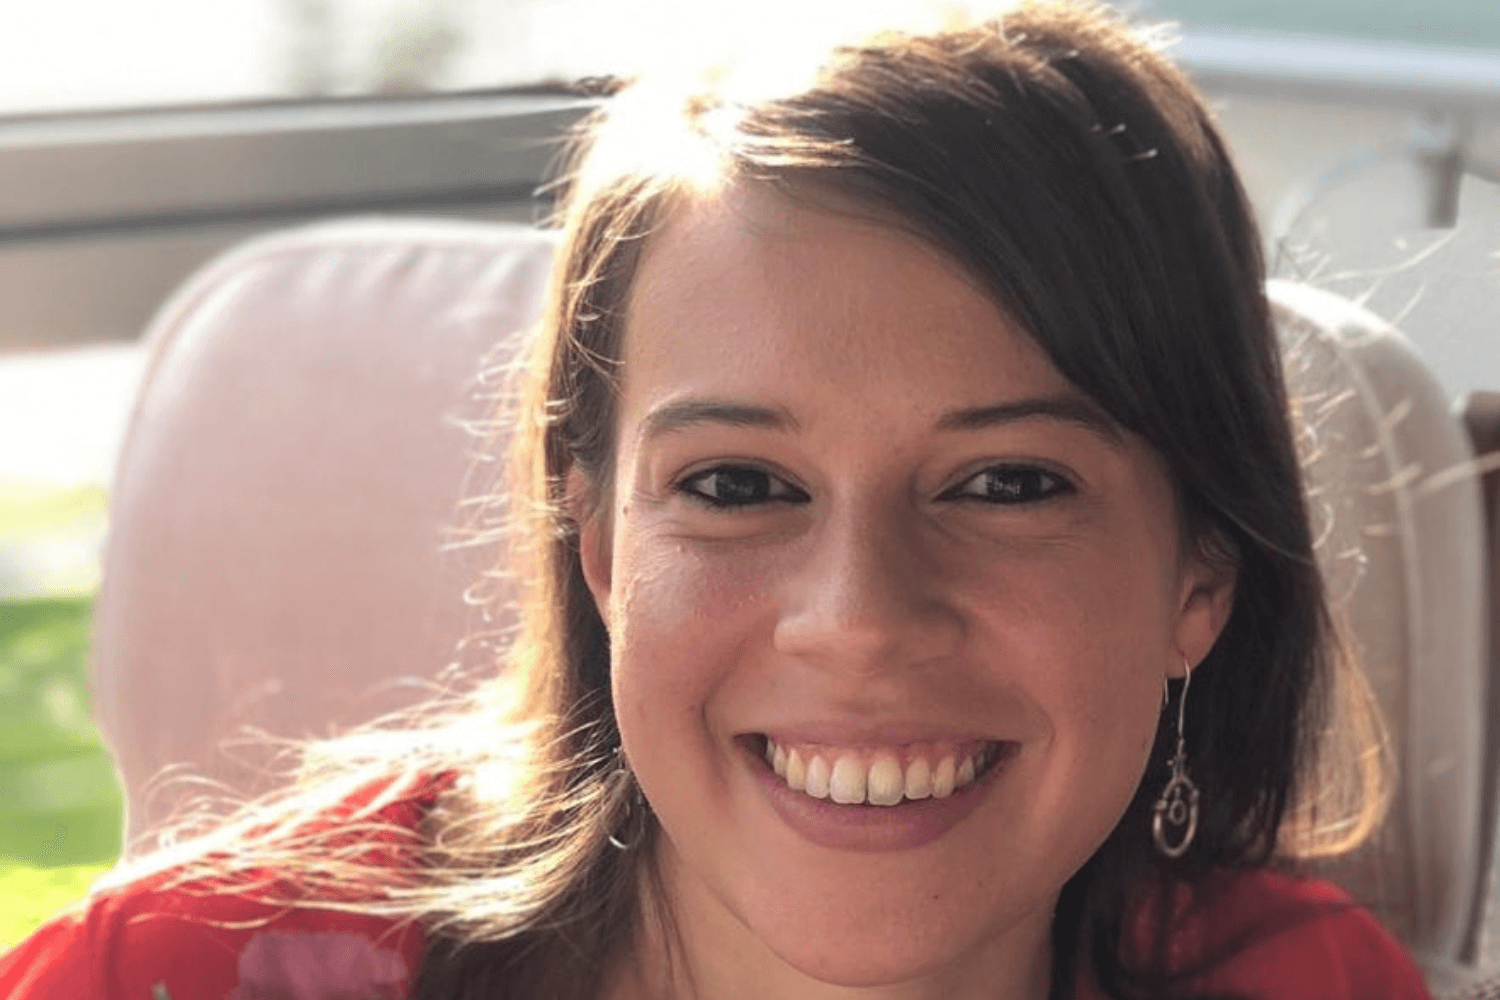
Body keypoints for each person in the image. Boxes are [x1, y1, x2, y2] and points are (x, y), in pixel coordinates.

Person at [0, 2, 1433, 998]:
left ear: (1200, 576)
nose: (858, 622)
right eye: (740, 486)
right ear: (602, 546)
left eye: (1007, 484)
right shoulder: (162, 980)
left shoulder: (1305, 985)